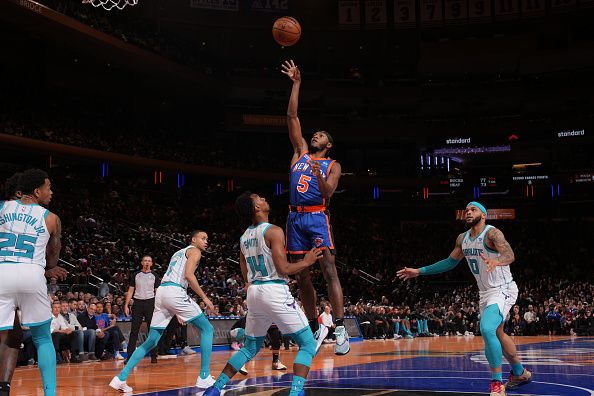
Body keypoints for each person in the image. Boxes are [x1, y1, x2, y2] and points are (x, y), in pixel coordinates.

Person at [397, 202, 532, 396]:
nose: (468, 212)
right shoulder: (463, 238)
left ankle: (496, 383)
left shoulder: (493, 234)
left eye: (473, 209)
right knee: (498, 334)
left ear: (484, 215)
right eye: (467, 210)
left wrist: (497, 261)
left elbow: (510, 254)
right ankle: (519, 372)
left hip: (503, 288)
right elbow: (450, 262)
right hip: (485, 293)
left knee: (486, 328)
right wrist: (419, 271)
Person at [204, 192, 323, 396]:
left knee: (250, 348)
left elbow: (244, 268)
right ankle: (295, 393)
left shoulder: (244, 237)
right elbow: (284, 268)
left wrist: (252, 283)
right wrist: (307, 261)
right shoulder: (274, 231)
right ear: (256, 208)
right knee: (308, 343)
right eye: (259, 198)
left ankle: (215, 388)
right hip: (273, 289)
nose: (264, 198)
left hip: (255, 292)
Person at [281, 60, 349, 355]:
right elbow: (292, 115)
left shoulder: (333, 164)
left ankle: (341, 326)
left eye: (321, 134)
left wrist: (320, 176)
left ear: (329, 144)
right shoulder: (299, 153)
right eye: (315, 133)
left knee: (329, 269)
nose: (315, 135)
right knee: (301, 274)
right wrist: (297, 83)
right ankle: (311, 326)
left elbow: (329, 192)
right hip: (294, 219)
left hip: (317, 217)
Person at [109, 230, 216, 393]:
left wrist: (177, 310)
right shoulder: (195, 251)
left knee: (151, 341)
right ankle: (204, 376)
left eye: (207, 239)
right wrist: (205, 298)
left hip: (161, 293)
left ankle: (121, 378)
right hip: (174, 291)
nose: (206, 241)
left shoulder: (178, 253)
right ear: (193, 239)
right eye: (203, 238)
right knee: (207, 329)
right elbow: (188, 275)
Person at [0, 169, 62, 396]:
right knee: (43, 337)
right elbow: (52, 260)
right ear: (37, 191)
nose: (51, 192)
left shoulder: (2, 207)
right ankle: (50, 393)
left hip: (2, 271)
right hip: (31, 273)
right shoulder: (51, 218)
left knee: (3, 335)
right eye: (48, 187)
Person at [123, 255, 160, 363]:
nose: (147, 262)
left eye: (149, 261)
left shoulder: (155, 275)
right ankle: (129, 357)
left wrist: (158, 306)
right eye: (145, 260)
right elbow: (130, 291)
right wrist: (126, 305)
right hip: (137, 303)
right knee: (134, 330)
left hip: (150, 303)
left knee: (152, 330)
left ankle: (154, 356)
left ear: (151, 263)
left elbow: (157, 292)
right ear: (142, 262)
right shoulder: (136, 275)